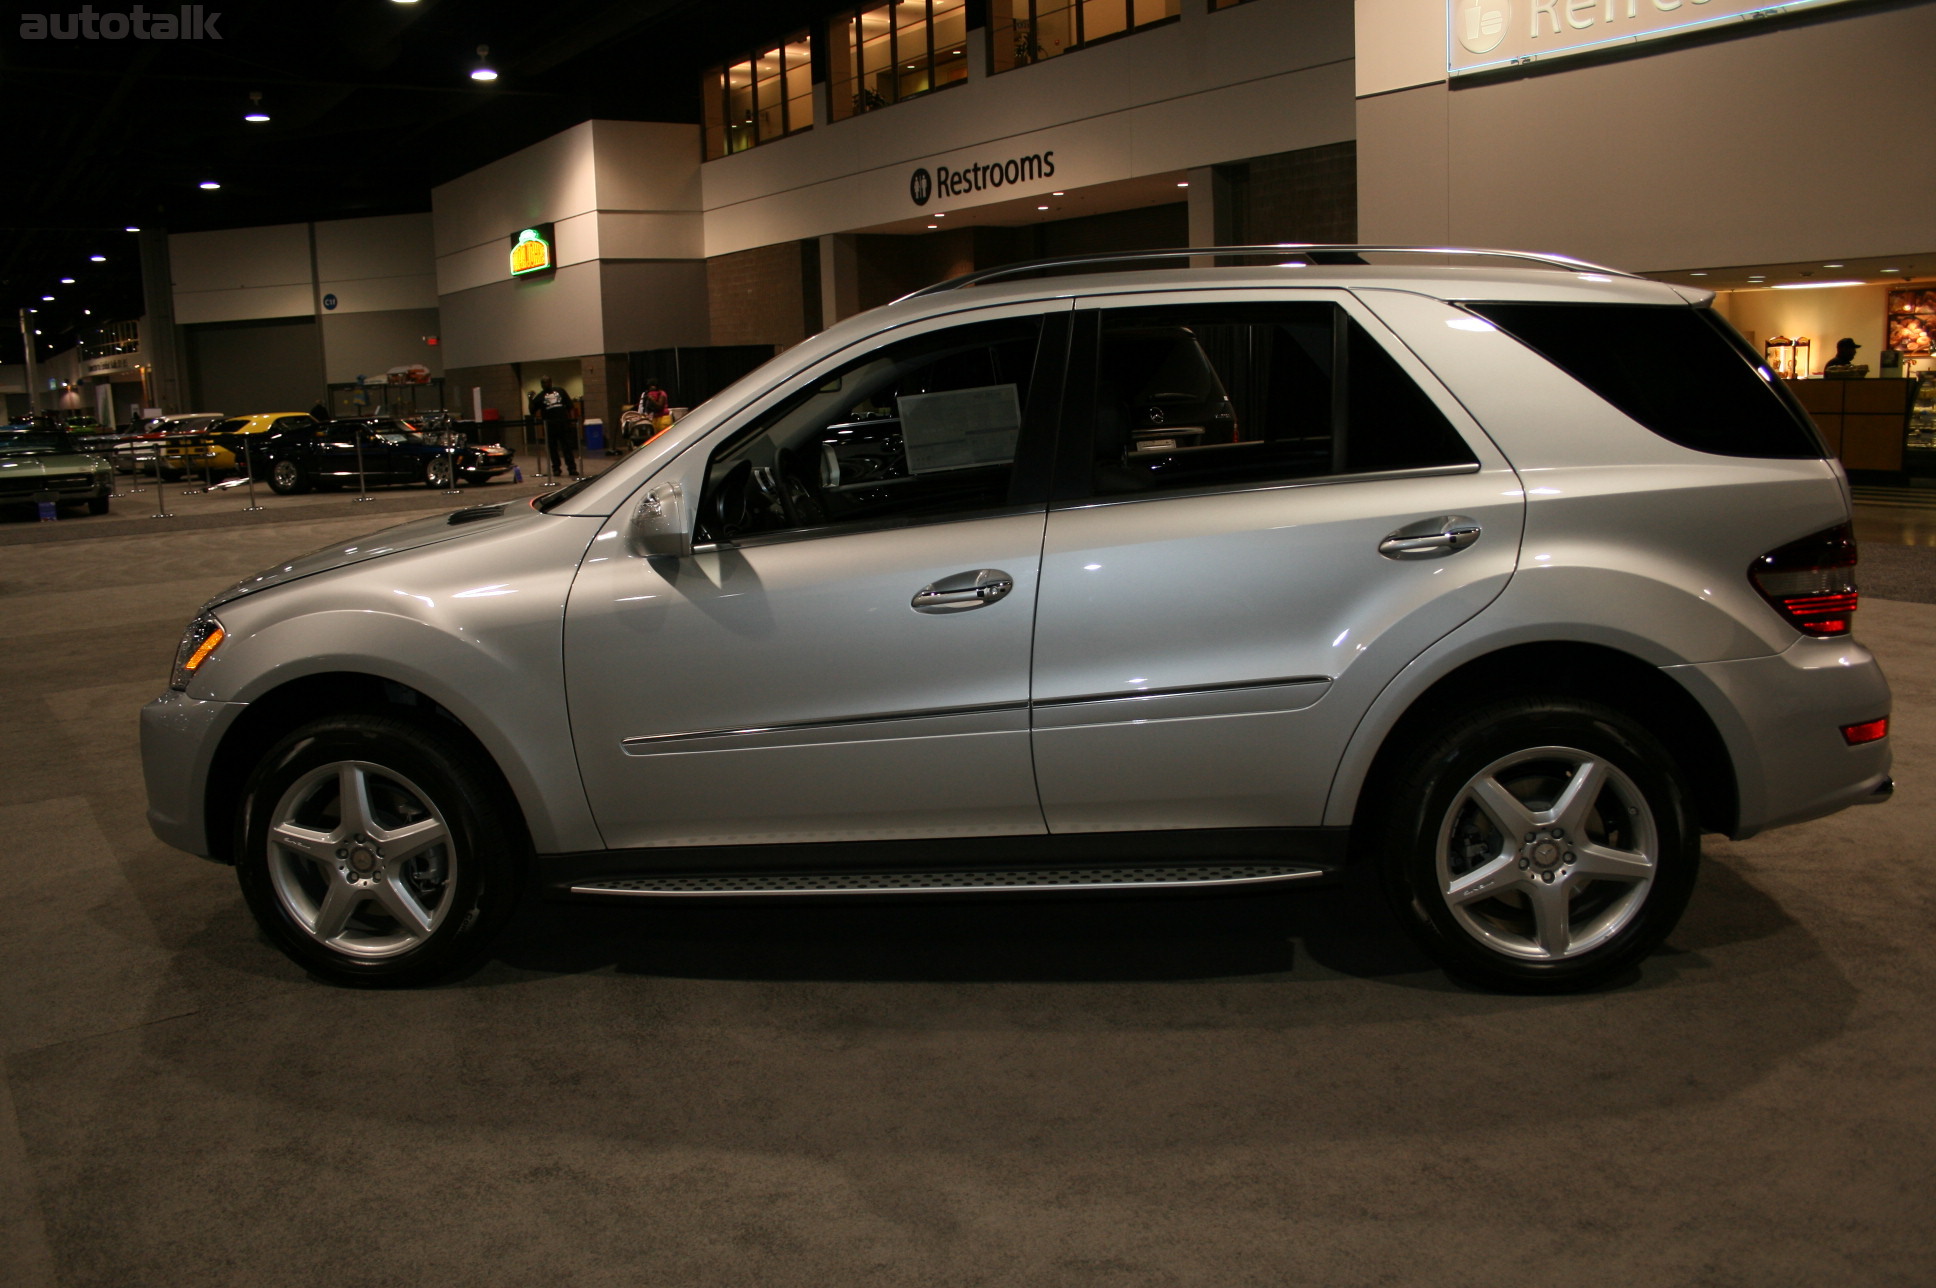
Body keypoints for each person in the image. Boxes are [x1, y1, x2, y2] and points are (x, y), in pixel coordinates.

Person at [530, 377, 580, 477]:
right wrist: (530, 399)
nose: (545, 384)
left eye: (547, 382)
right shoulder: (540, 396)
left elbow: (570, 406)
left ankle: (572, 468)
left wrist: (572, 421)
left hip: (563, 424)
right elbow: (532, 410)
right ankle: (556, 469)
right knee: (552, 448)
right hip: (550, 426)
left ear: (551, 382)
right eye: (543, 383)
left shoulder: (560, 391)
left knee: (567, 447)